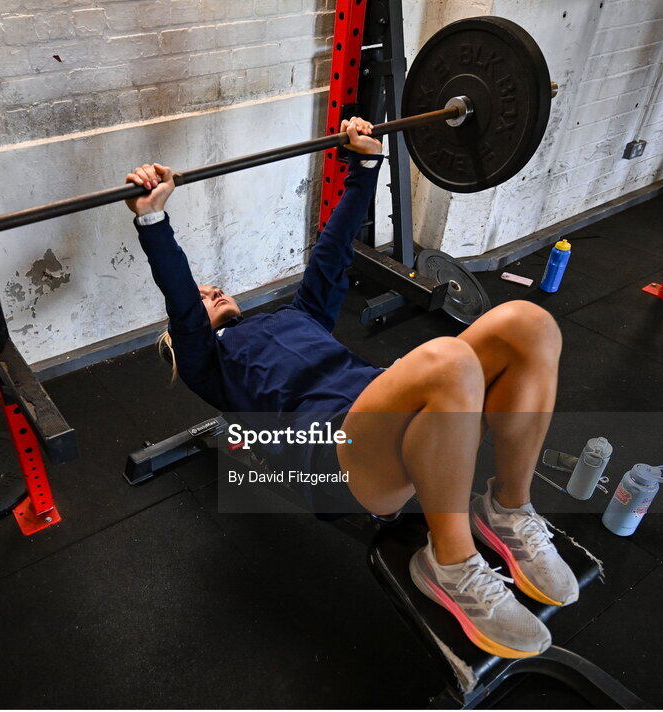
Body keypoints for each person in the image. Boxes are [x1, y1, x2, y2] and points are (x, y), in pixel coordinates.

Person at [124, 117, 576, 659]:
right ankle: (448, 564)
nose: (212, 290)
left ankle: (507, 507)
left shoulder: (299, 315)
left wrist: (365, 165)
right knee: (449, 357)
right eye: (203, 296)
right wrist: (155, 222)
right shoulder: (210, 363)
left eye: (214, 286)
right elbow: (179, 298)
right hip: (338, 458)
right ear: (181, 336)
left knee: (527, 323)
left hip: (400, 416)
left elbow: (333, 255)